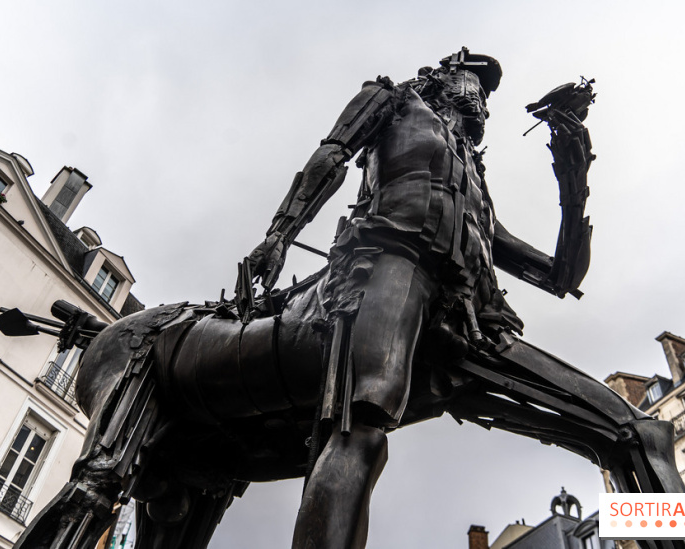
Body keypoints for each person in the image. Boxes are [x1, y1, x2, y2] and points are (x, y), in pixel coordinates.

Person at [247, 47, 595, 549]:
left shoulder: (473, 176)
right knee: (363, 417)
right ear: (445, 73)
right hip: (394, 256)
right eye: (478, 82)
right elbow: (331, 156)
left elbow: (560, 275)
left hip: (469, 308)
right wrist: (279, 234)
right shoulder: (392, 101)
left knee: (630, 427)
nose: (485, 98)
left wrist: (573, 172)